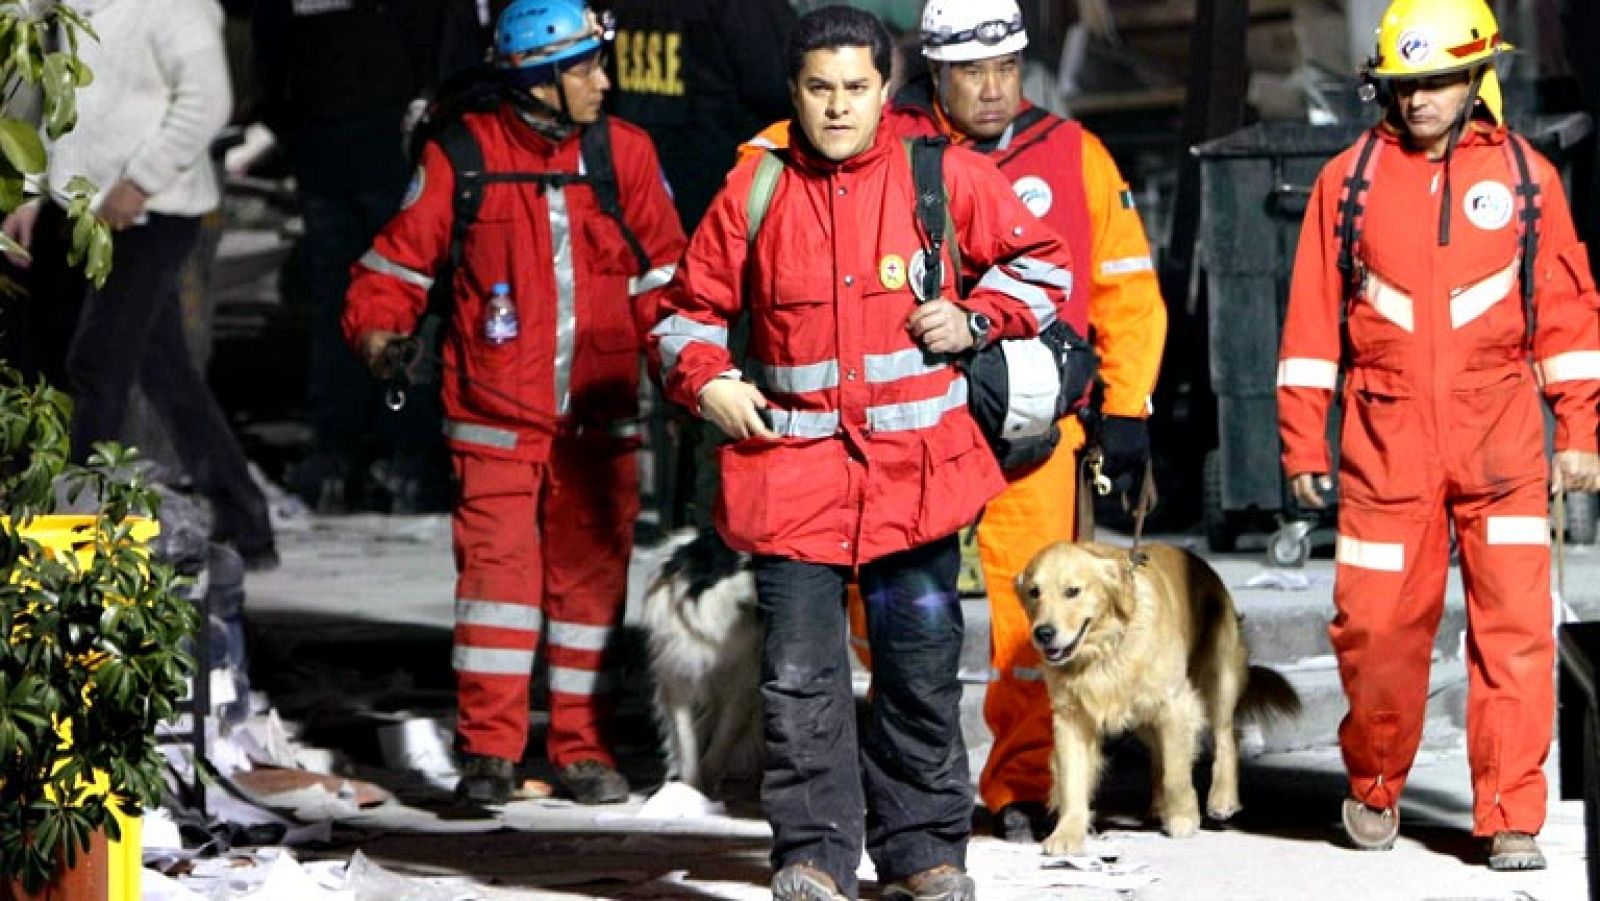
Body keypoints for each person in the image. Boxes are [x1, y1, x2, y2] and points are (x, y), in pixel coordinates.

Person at [650, 7, 1081, 899]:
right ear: (794, 94)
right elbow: (681, 314)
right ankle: (812, 855)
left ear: (889, 90)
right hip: (792, 484)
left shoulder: (943, 175)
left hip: (914, 483)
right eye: (819, 89)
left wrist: (976, 317)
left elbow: (1045, 268)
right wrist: (709, 382)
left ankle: (924, 849)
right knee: (799, 686)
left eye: (856, 88)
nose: (838, 108)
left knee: (919, 678)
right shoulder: (754, 190)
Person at [734, 0, 1170, 842]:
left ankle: (1017, 782)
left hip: (1030, 425)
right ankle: (885, 770)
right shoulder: (878, 141)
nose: (995, 88)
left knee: (1034, 619)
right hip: (902, 429)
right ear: (934, 72)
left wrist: (1125, 408)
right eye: (973, 72)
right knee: (881, 617)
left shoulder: (1073, 153)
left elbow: (1125, 288)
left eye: (1007, 67)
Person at [1277, 0, 1600, 869]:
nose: (1420, 100)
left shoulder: (1530, 181)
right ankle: (1376, 782)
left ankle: (1509, 814)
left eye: (1438, 82)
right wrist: (1303, 442)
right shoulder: (1346, 183)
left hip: (1503, 447)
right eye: (1405, 85)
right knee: (1377, 630)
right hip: (1387, 454)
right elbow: (1311, 327)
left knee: (1517, 633)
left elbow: (1568, 317)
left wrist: (1580, 430)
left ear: (1476, 76)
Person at [343, 0, 685, 807]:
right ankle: (491, 751)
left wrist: (685, 376)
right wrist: (381, 335)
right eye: (587, 69)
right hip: (492, 416)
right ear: (540, 79)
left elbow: (666, 281)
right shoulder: (462, 155)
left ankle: (583, 750)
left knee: (589, 596)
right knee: (497, 590)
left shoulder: (623, 153)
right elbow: (392, 268)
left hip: (599, 423)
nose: (606, 82)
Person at [2, 0, 278, 570]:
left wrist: (140, 183)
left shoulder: (175, 7)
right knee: (166, 375)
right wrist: (33, 191)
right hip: (87, 211)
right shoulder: (64, 8)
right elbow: (53, 102)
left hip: (153, 213)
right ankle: (246, 520)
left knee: (96, 364)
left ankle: (72, 537)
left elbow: (206, 103)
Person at [253, 0, 484, 514]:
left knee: (342, 309)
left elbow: (270, 63)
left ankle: (338, 458)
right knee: (404, 304)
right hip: (391, 150)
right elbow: (450, 48)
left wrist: (295, 128)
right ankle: (405, 460)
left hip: (326, 149)